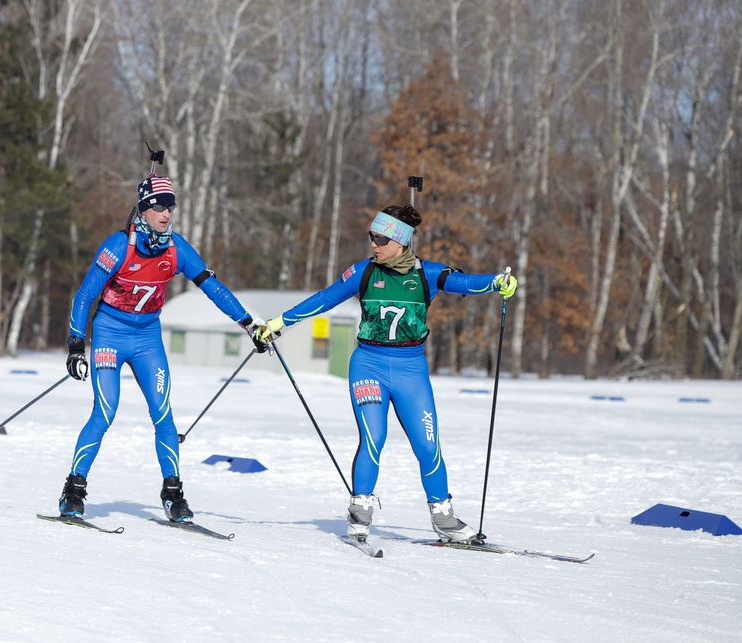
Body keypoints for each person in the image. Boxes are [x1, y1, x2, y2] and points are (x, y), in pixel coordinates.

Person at [256, 204, 517, 544]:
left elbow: (463, 282)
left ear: (400, 241)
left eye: (380, 238)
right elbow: (324, 299)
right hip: (369, 365)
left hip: (411, 370)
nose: (373, 244)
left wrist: (498, 282)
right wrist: (277, 325)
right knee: (373, 438)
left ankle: (443, 517)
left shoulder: (426, 274)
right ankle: (360, 510)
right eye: (371, 237)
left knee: (428, 446)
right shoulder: (364, 272)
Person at [60, 173, 265, 523]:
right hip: (110, 334)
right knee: (106, 411)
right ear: (142, 209)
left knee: (163, 413)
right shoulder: (117, 246)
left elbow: (212, 287)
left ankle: (173, 493)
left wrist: (248, 323)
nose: (166, 213)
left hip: (147, 339)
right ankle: (74, 490)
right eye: (158, 206)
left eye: (170, 206)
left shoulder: (176, 248)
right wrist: (76, 344)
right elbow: (85, 295)